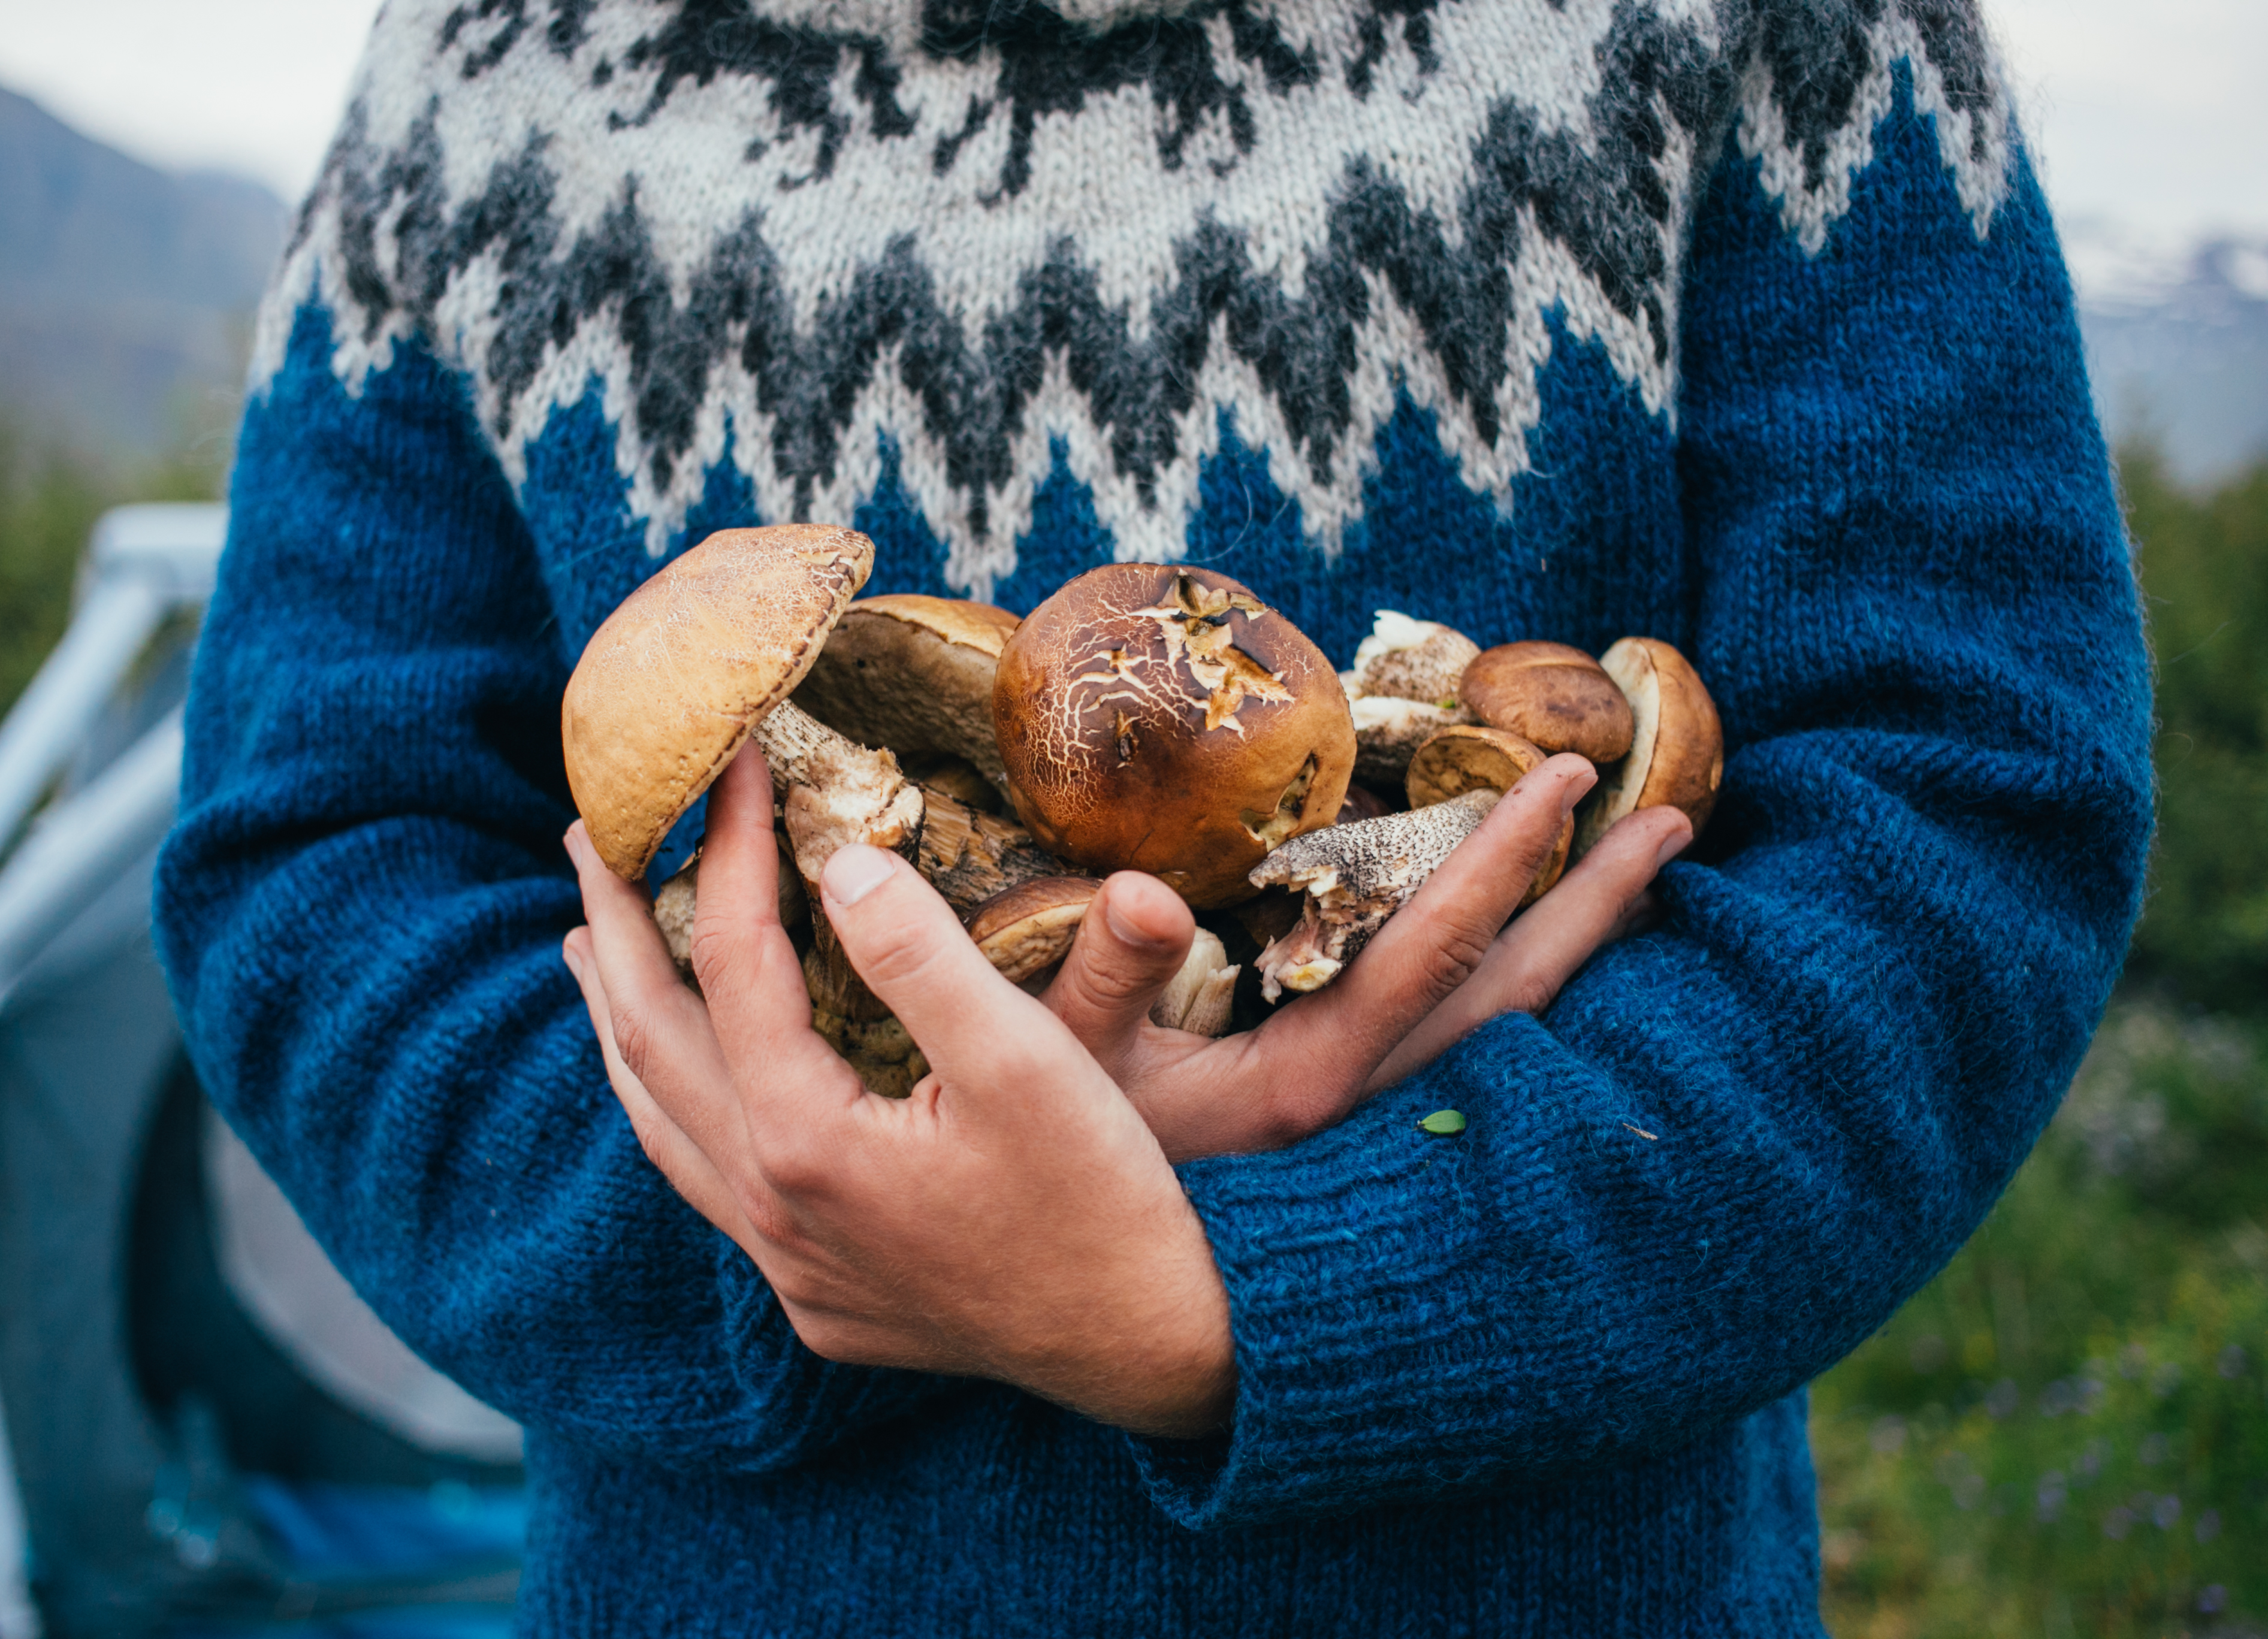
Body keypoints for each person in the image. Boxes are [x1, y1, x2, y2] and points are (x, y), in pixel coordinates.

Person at [153, 0, 2151, 1628]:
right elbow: (324, 863)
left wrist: (1245, 1291)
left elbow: (1954, 810)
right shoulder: (492, 69)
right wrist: (818, 1222)